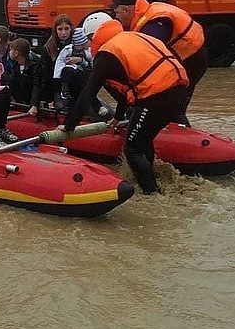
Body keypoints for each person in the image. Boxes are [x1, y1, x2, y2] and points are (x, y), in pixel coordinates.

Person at [59, 17, 188, 195]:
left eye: (89, 39)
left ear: (95, 35)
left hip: (157, 94)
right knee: (143, 139)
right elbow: (125, 93)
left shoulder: (107, 53)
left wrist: (69, 126)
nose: (89, 44)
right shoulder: (130, 38)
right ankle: (149, 179)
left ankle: (153, 194)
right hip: (179, 89)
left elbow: (87, 93)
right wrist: (118, 117)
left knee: (132, 149)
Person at [111, 0, 208, 126]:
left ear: (127, 10)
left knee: (175, 106)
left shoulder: (153, 22)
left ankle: (182, 136)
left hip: (190, 59)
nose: (116, 18)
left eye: (117, 13)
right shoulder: (149, 12)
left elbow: (151, 55)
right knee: (172, 104)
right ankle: (171, 130)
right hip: (190, 56)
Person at [53, 27, 107, 116]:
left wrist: (81, 60)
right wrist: (57, 85)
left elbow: (94, 64)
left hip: (84, 79)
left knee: (86, 86)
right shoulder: (67, 51)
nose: (89, 43)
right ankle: (66, 94)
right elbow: (58, 67)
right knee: (67, 71)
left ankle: (97, 106)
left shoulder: (88, 52)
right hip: (72, 80)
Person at [39, 14, 74, 110]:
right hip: (56, 86)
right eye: (60, 29)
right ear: (55, 30)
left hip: (74, 84)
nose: (63, 33)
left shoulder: (77, 43)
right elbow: (46, 73)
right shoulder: (49, 47)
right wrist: (46, 98)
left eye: (66, 29)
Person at [3, 38, 42, 116]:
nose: (9, 52)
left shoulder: (34, 65)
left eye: (11, 50)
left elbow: (36, 85)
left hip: (29, 91)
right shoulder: (16, 63)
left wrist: (34, 104)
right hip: (20, 93)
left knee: (23, 79)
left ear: (16, 53)